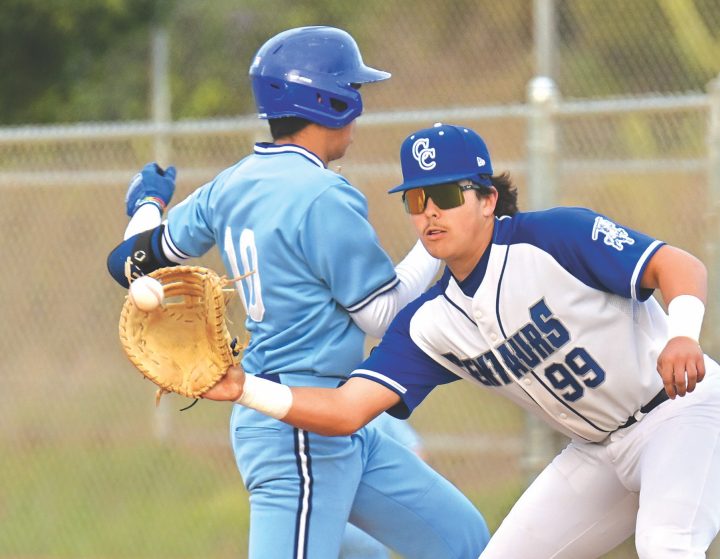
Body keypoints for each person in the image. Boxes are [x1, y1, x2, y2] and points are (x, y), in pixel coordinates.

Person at [205, 123, 720, 559]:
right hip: (599, 450)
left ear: (488, 199)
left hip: (686, 414)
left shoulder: (554, 238)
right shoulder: (432, 321)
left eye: (445, 194)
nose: (429, 213)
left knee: (666, 546)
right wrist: (244, 388)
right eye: (415, 200)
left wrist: (683, 334)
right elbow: (348, 409)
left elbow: (676, 264)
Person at [107, 29, 488, 559]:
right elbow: (382, 315)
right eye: (352, 91)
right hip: (295, 430)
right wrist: (440, 236)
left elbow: (128, 262)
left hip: (341, 416)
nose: (358, 108)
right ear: (330, 102)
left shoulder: (232, 183)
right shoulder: (325, 195)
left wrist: (147, 202)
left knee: (463, 541)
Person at [340, 415, 426, 559]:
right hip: (364, 522)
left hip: (318, 514)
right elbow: (415, 453)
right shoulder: (377, 407)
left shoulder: (309, 404)